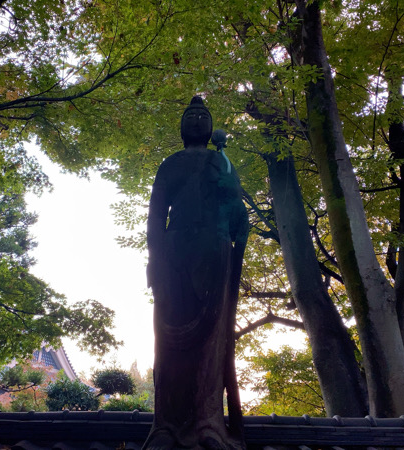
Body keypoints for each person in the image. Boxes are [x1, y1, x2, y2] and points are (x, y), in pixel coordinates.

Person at [144, 96, 248, 450]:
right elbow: (156, 216)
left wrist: (229, 189)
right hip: (174, 252)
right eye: (191, 116)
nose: (197, 120)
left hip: (213, 250)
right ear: (182, 126)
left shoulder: (221, 162)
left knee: (211, 342)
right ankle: (166, 424)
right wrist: (155, 259)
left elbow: (236, 212)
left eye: (204, 116)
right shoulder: (170, 165)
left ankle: (208, 423)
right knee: (168, 339)